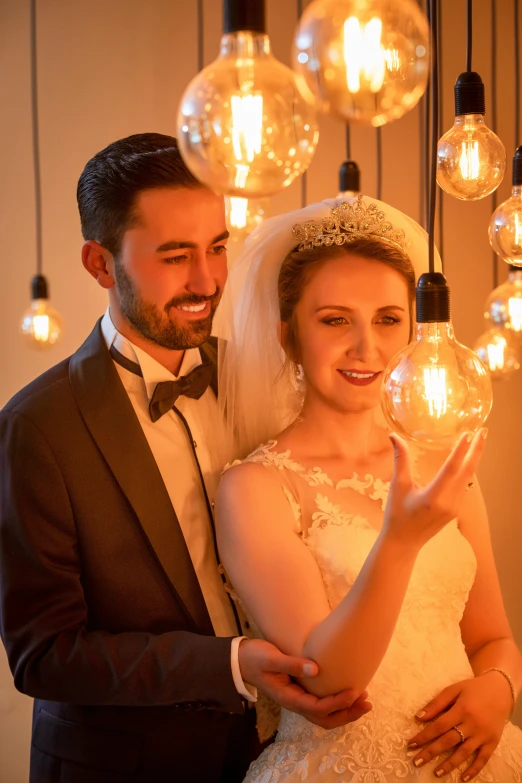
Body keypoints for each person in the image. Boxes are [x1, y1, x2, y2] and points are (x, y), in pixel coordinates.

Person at [0, 134, 370, 783]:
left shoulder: (262, 374)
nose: (206, 281)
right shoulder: (36, 426)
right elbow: (45, 654)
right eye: (175, 256)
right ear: (100, 262)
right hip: (124, 765)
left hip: (282, 753)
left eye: (218, 247)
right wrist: (230, 662)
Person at [215, 195, 522, 782]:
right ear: (287, 336)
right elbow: (327, 679)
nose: (367, 348)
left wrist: (499, 690)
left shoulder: (446, 463)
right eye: (335, 320)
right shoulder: (255, 486)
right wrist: (400, 540)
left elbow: (494, 637)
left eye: (387, 319)